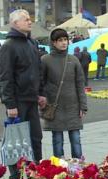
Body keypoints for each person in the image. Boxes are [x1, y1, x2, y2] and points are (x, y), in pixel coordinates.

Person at [0, 9, 46, 179]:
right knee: (15, 140)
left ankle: (37, 170)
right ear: (15, 23)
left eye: (29, 18)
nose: (30, 21)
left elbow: (38, 71)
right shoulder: (8, 46)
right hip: (17, 101)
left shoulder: (32, 43)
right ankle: (15, 176)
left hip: (32, 99)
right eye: (25, 19)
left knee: (36, 137)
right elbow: (5, 77)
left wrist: (41, 94)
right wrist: (10, 104)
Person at [41, 28, 87, 159]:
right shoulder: (45, 60)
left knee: (76, 139)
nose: (63, 43)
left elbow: (80, 84)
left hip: (73, 106)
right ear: (53, 43)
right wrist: (44, 102)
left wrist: (83, 106)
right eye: (60, 40)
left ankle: (79, 167)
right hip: (55, 107)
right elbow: (40, 83)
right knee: (57, 139)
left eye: (65, 39)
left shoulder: (73, 60)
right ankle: (59, 169)